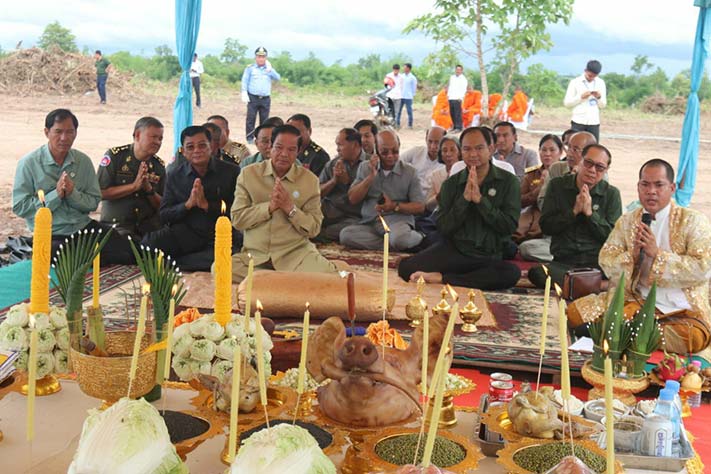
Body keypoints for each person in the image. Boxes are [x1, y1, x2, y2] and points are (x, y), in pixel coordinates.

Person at [571, 159, 711, 354]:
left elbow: (703, 267)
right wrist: (632, 257)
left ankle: (618, 332)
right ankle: (631, 334)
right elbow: (606, 259)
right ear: (638, 187)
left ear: (671, 188)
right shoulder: (628, 221)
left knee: (693, 337)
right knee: (575, 312)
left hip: (678, 308)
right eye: (645, 184)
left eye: (658, 185)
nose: (651, 191)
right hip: (635, 300)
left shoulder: (693, 221)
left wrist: (658, 255)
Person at [397, 127, 521, 290]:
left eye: (479, 148)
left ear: (491, 149)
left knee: (511, 273)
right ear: (461, 152)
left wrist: (481, 201)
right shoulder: (452, 184)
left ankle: (443, 278)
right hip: (456, 251)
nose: (473, 154)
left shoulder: (509, 182)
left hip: (489, 254)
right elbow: (443, 227)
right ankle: (463, 278)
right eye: (467, 149)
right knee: (406, 268)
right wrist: (464, 201)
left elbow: (508, 226)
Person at [13, 108, 133, 264]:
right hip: (51, 234)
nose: (64, 138)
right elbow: (20, 207)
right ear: (47, 132)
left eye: (70, 132)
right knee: (63, 256)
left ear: (76, 133)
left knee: (128, 252)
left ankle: (91, 258)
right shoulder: (29, 163)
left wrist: (72, 194)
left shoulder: (83, 161)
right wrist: (56, 195)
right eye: (58, 132)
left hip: (82, 228)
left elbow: (93, 202)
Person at [231, 125, 337, 280]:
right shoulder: (248, 175)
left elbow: (314, 228)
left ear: (298, 151)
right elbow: (237, 220)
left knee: (328, 276)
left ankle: (269, 280)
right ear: (270, 147)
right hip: (255, 256)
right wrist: (268, 207)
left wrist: (290, 208)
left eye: (291, 149)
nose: (284, 154)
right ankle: (283, 281)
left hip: (295, 256)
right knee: (220, 269)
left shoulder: (309, 181)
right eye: (279, 147)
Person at [143, 125, 240, 271]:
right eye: (190, 147)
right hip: (187, 232)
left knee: (228, 258)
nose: (197, 151)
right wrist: (187, 205)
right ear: (183, 151)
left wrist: (207, 205)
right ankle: (188, 261)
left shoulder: (231, 171)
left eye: (202, 145)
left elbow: (238, 210)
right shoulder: (175, 175)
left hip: (220, 234)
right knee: (148, 245)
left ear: (211, 146)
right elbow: (164, 214)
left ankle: (177, 262)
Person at [527, 144, 622, 289]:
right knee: (538, 273)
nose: (592, 170)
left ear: (606, 170)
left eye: (599, 167)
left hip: (597, 265)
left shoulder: (611, 194)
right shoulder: (557, 186)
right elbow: (546, 226)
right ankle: (595, 286)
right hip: (564, 263)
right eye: (588, 163)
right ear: (580, 161)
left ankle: (579, 284)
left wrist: (590, 214)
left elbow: (613, 238)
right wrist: (573, 212)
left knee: (623, 275)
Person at [339, 130, 425, 251]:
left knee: (399, 238)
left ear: (399, 147)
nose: (390, 156)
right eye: (384, 152)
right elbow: (353, 199)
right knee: (346, 235)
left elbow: (420, 207)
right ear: (376, 150)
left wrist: (394, 206)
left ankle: (417, 238)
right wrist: (370, 177)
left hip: (397, 222)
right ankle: (394, 245)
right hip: (371, 222)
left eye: (395, 151)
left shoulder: (410, 172)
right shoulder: (365, 167)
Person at [520, 131, 597, 263]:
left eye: (576, 149)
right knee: (526, 248)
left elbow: (591, 211)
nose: (570, 153)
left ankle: (572, 257)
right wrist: (570, 181)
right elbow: (542, 203)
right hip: (558, 235)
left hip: (585, 239)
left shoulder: (597, 174)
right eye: (568, 147)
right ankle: (572, 257)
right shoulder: (557, 169)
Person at [97, 116, 166, 239]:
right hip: (117, 227)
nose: (157, 142)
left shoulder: (158, 166)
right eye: (153, 137)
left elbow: (163, 205)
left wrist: (149, 190)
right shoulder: (115, 157)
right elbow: (100, 193)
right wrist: (133, 187)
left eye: (160, 138)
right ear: (137, 135)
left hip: (147, 228)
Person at [513, 134, 563, 243]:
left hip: (553, 215)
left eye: (552, 150)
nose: (547, 154)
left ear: (560, 152)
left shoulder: (566, 173)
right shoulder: (532, 173)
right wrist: (539, 189)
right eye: (543, 150)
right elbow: (519, 200)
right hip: (531, 213)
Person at [319, 128, 366, 241]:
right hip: (329, 210)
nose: (337, 149)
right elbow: (317, 192)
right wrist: (334, 181)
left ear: (354, 145)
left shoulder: (369, 165)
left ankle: (321, 233)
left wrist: (348, 183)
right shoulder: (333, 164)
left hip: (354, 215)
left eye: (340, 145)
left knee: (345, 231)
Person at [241, 46, 280, 143]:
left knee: (265, 121)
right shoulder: (250, 68)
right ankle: (250, 138)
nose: (261, 59)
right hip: (253, 97)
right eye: (259, 56)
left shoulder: (269, 69)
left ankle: (262, 138)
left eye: (263, 57)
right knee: (251, 118)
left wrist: (270, 69)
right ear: (255, 57)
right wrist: (244, 92)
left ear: (266, 58)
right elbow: (245, 80)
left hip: (265, 99)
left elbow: (277, 78)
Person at [564, 60, 606, 142]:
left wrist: (599, 97)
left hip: (593, 122)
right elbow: (567, 103)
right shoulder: (575, 82)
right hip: (578, 121)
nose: (591, 78)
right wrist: (580, 97)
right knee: (575, 145)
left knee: (593, 147)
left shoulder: (601, 83)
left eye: (594, 76)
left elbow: (603, 105)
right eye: (590, 75)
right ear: (585, 70)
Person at [399, 126, 446, 196]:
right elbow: (397, 161)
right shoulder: (417, 151)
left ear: (444, 142)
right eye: (430, 141)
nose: (433, 146)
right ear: (426, 139)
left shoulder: (447, 162)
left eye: (437, 142)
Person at [424, 135, 461, 213]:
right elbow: (428, 206)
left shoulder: (467, 172)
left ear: (459, 152)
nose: (448, 154)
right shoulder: (435, 175)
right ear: (440, 154)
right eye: (444, 150)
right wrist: (439, 196)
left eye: (452, 150)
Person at [287, 113, 330, 177]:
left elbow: (318, 182)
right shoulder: (284, 151)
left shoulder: (319, 156)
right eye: (289, 131)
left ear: (309, 131)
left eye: (297, 131)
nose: (293, 135)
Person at [447, 65, 467, 132]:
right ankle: (454, 126)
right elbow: (450, 86)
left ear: (461, 70)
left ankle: (458, 127)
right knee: (452, 113)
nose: (458, 71)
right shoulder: (452, 77)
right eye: (457, 69)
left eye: (459, 70)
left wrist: (461, 97)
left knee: (457, 113)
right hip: (451, 97)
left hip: (458, 98)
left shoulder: (463, 79)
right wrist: (448, 95)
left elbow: (464, 89)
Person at [399, 63, 417, 129]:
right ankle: (397, 124)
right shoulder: (401, 76)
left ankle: (410, 124)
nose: (404, 69)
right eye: (403, 67)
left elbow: (414, 87)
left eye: (405, 67)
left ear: (409, 68)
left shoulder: (412, 78)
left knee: (409, 111)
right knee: (398, 111)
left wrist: (412, 94)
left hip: (408, 97)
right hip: (401, 96)